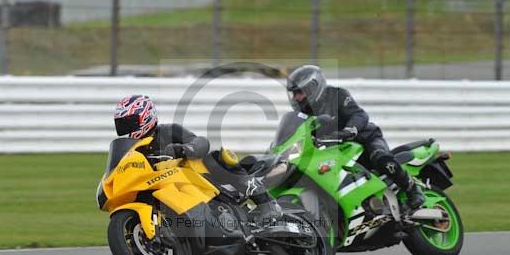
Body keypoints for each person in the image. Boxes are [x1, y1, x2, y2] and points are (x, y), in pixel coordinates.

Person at [113, 95, 282, 224]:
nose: (127, 129)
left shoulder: (168, 131)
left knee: (216, 157)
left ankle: (266, 202)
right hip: (168, 189)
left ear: (145, 117)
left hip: (196, 179)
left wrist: (185, 149)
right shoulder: (135, 150)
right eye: (123, 125)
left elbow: (201, 142)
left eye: (129, 123)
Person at [286, 65, 425, 210]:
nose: (296, 98)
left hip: (365, 139)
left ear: (312, 87)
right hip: (338, 149)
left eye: (299, 93)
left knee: (381, 159)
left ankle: (413, 190)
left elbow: (359, 115)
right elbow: (297, 134)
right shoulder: (303, 114)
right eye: (293, 94)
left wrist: (349, 130)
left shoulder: (337, 95)